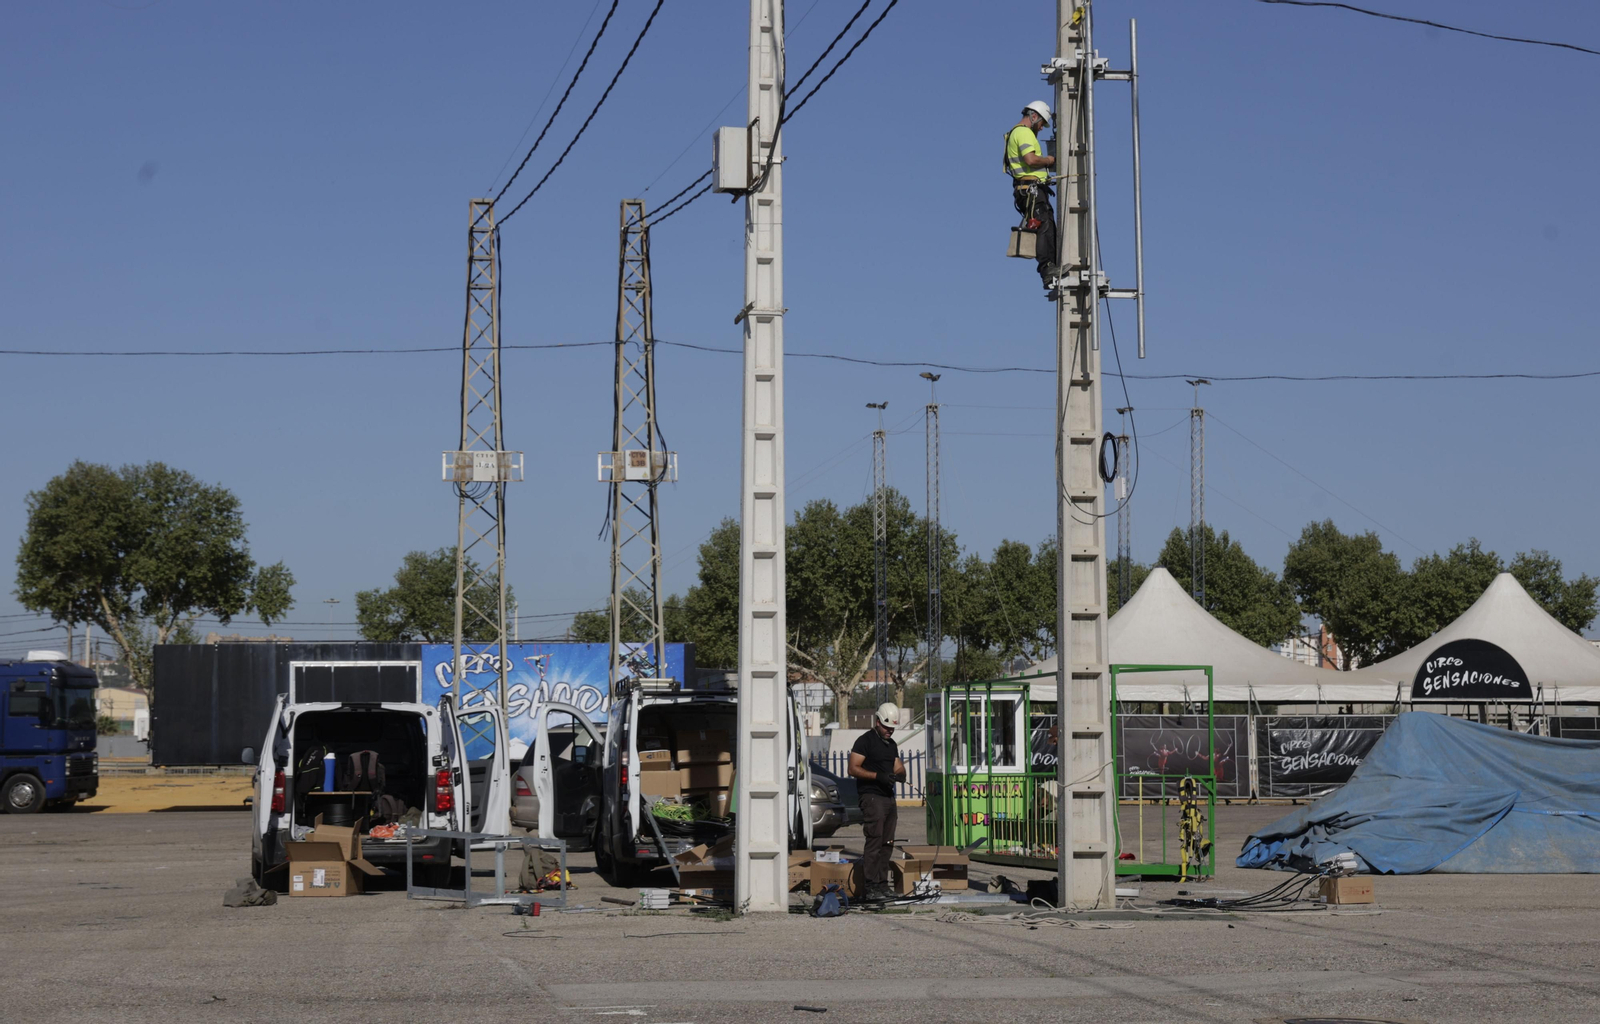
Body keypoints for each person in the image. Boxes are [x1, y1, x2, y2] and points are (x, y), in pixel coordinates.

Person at [848, 702, 906, 900]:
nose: (890, 731)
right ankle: (871, 885)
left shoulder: (891, 745)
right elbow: (853, 768)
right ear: (878, 721)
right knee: (874, 840)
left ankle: (882, 884)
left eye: (892, 728)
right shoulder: (864, 741)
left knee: (887, 842)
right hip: (871, 797)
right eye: (887, 727)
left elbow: (898, 766)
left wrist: (900, 774)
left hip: (888, 798)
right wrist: (877, 776)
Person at [1003, 100, 1058, 289]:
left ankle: (1051, 265)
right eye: (1042, 122)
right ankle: (1048, 269)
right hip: (1031, 190)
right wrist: (1049, 161)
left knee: (1047, 226)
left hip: (1029, 190)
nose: (1042, 128)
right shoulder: (1024, 132)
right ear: (1033, 116)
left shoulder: (1016, 133)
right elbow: (1031, 159)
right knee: (1044, 226)